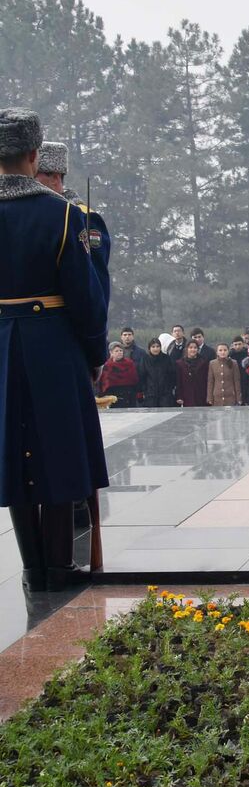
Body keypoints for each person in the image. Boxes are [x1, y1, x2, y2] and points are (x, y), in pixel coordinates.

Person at [0, 109, 108, 592]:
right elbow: (85, 298)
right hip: (53, 344)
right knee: (60, 452)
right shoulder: (62, 213)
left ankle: (31, 566)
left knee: (13, 455)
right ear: (33, 154)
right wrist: (94, 351)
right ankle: (60, 566)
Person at [35, 141, 111, 304]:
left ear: (55, 178)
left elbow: (96, 283)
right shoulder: (30, 214)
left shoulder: (85, 218)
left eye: (33, 177)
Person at [98, 342, 139, 406]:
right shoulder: (107, 365)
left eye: (121, 350)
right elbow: (103, 382)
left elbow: (134, 379)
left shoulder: (129, 364)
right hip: (112, 396)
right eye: (116, 351)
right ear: (111, 353)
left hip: (128, 394)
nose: (119, 352)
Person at [139, 337, 177, 407]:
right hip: (150, 394)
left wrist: (169, 388)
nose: (155, 349)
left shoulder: (166, 358)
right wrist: (145, 391)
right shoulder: (145, 359)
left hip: (165, 394)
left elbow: (172, 374)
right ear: (149, 348)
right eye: (153, 347)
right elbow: (142, 376)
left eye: (157, 346)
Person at [206, 342, 242, 406]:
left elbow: (236, 381)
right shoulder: (212, 363)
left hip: (230, 397)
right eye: (220, 350)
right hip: (217, 397)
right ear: (217, 352)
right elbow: (210, 382)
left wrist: (238, 398)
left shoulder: (234, 363)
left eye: (225, 350)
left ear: (228, 351)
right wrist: (209, 398)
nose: (223, 352)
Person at [175, 342, 209, 407]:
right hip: (187, 395)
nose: (193, 350)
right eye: (190, 347)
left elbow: (206, 380)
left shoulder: (203, 363)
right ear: (187, 349)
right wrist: (179, 396)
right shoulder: (180, 363)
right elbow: (179, 382)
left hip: (201, 395)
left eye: (195, 348)